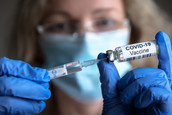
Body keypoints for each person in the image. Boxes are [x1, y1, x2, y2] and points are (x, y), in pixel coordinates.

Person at [0, 0, 171, 114]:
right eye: (61, 25)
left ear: (132, 35)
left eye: (105, 21)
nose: (84, 38)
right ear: (36, 42)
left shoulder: (156, 105)